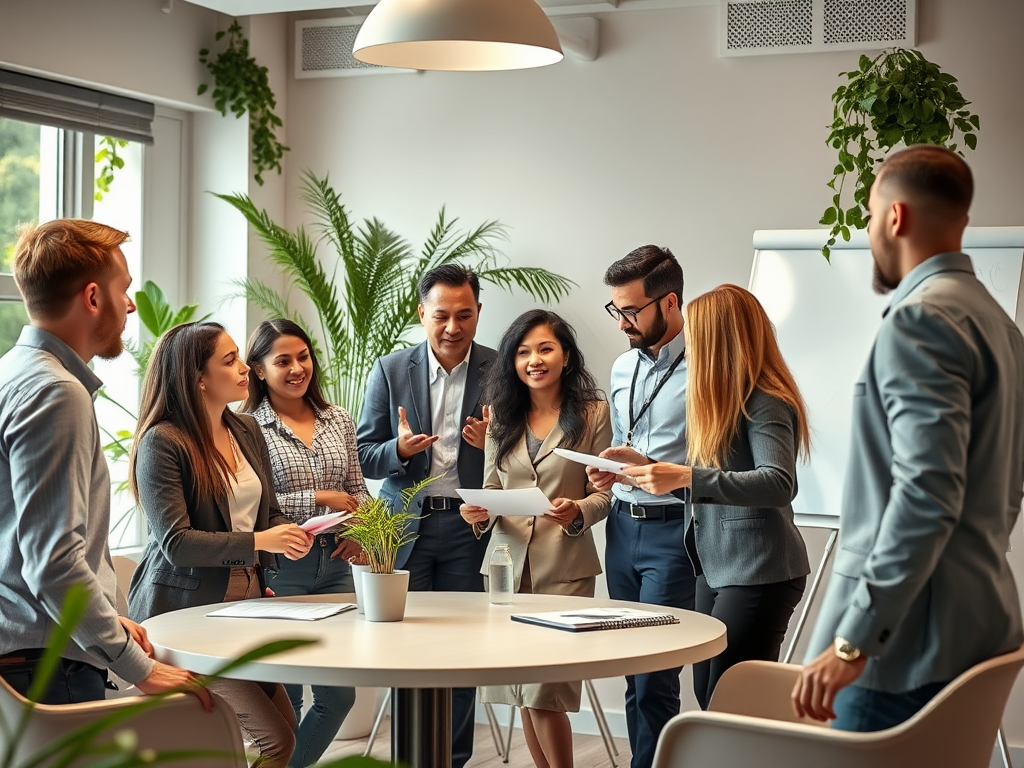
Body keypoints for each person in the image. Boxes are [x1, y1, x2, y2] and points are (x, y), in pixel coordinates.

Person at [792, 145, 1024, 731]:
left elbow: (926, 495)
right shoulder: (1001, 325)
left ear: (895, 217)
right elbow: (1007, 486)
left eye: (870, 215)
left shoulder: (921, 320)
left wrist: (855, 642)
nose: (870, 230)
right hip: (977, 623)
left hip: (899, 648)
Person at [0, 219, 210, 709]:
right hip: (49, 669)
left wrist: (109, 620)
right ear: (93, 298)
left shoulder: (12, 372)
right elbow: (53, 562)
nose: (132, 304)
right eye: (125, 289)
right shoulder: (56, 393)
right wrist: (137, 666)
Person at [614, 285, 811, 710]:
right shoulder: (717, 398)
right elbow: (710, 474)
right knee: (710, 696)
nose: (689, 347)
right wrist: (646, 465)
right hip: (715, 565)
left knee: (731, 702)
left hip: (760, 568)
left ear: (723, 338)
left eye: (698, 337)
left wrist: (687, 476)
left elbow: (779, 482)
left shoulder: (765, 397)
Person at [128, 321, 314, 768]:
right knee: (277, 743)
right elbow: (177, 543)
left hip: (246, 609)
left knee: (288, 732)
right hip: (183, 618)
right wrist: (259, 542)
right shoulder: (163, 442)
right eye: (229, 361)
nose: (245, 368)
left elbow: (265, 512)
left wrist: (287, 536)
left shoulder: (247, 429)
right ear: (198, 379)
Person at [356, 263, 496, 768]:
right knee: (403, 649)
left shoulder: (500, 371)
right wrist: (397, 447)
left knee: (462, 653)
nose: (453, 327)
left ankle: (453, 760)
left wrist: (492, 442)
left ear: (479, 312)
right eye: (442, 315)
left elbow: (522, 450)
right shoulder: (392, 370)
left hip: (469, 525)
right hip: (405, 529)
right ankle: (411, 756)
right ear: (422, 314)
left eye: (465, 314)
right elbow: (364, 454)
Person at [460, 310, 612, 768]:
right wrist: (478, 513)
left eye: (545, 349)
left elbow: (604, 494)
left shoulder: (593, 414)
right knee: (522, 691)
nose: (534, 360)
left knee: (547, 691)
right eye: (523, 352)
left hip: (564, 567)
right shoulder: (502, 418)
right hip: (505, 568)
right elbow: (490, 488)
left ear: (566, 356)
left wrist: (576, 512)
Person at [585, 245, 695, 768]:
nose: (623, 322)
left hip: (675, 531)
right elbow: (628, 445)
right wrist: (610, 469)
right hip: (622, 530)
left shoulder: (706, 367)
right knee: (634, 668)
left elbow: (713, 458)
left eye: (632, 310)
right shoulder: (622, 366)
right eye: (617, 310)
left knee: (655, 676)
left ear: (669, 302)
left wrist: (652, 466)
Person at [243, 319, 368, 768]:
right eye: (282, 361)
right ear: (258, 370)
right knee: (287, 701)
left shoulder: (339, 419)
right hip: (282, 568)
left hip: (336, 567)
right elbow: (256, 501)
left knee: (339, 697)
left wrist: (359, 531)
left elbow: (358, 490)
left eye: (303, 357)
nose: (297, 369)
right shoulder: (247, 427)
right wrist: (316, 497)